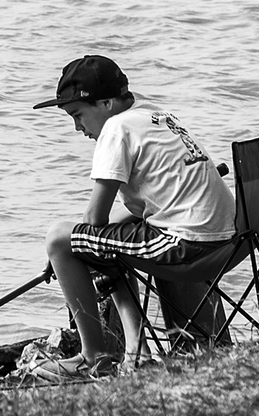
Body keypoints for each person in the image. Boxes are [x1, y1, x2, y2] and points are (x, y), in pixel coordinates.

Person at [31, 54, 235, 378]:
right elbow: (126, 219)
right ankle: (141, 348)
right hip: (226, 239)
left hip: (186, 246)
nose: (77, 127)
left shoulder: (116, 128)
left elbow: (94, 220)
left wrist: (66, 251)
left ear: (107, 103)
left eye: (78, 115)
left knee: (58, 237)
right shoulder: (155, 115)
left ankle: (93, 356)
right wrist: (83, 241)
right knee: (110, 239)